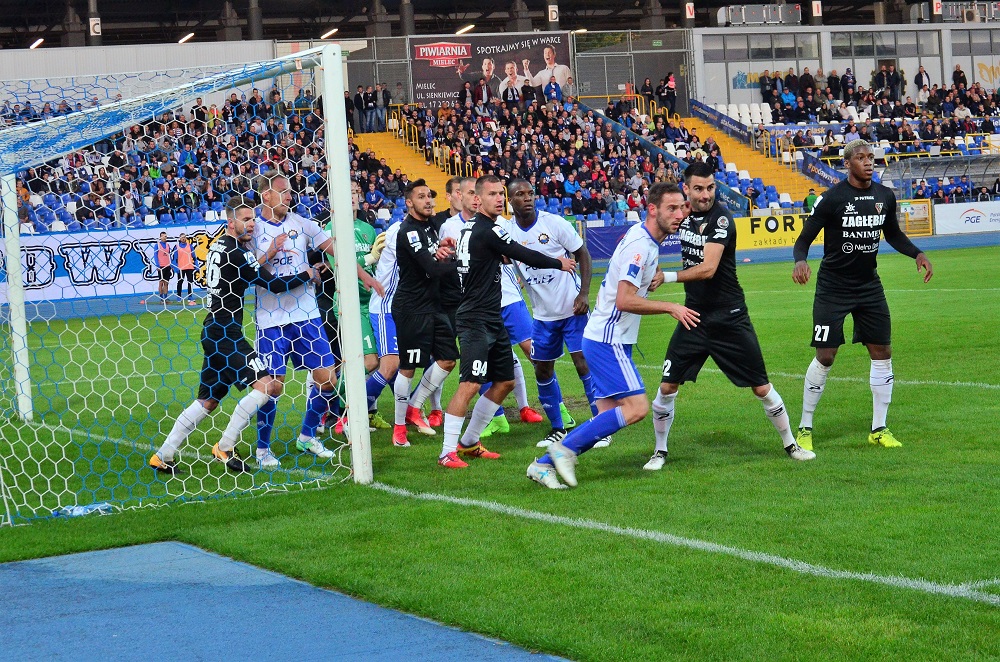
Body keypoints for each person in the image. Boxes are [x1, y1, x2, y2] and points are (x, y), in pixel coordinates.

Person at [644, 163, 815, 473]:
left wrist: (665, 277)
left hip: (729, 317)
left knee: (761, 387)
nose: (706, 194)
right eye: (699, 188)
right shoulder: (681, 216)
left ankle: (791, 444)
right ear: (687, 189)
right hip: (693, 318)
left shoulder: (721, 219)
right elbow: (653, 230)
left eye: (710, 187)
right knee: (667, 386)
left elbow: (708, 269)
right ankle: (659, 451)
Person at [527, 183, 699, 489]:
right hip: (609, 339)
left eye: (682, 207)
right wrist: (671, 306)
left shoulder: (644, 240)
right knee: (637, 408)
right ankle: (562, 449)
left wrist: (654, 277)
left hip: (604, 336)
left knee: (604, 420)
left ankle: (542, 465)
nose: (679, 214)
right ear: (652, 209)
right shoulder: (641, 246)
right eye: (671, 208)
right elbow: (624, 300)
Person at [149, 196, 316, 475]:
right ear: (231, 222)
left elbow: (244, 274)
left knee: (208, 400)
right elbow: (273, 284)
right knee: (268, 386)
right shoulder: (239, 252)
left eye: (253, 218)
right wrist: (307, 274)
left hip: (213, 329)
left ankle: (163, 455)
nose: (251, 224)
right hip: (226, 332)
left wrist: (267, 254)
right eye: (246, 219)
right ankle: (225, 447)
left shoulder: (219, 247)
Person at [792, 139, 933, 450]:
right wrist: (800, 260)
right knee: (826, 356)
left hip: (869, 286)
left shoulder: (884, 196)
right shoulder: (831, 199)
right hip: (833, 287)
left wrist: (917, 254)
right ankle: (804, 427)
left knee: (882, 353)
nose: (869, 162)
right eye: (861, 157)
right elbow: (803, 239)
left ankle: (879, 428)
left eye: (871, 157)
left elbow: (893, 233)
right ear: (848, 164)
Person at [437, 175, 576, 469]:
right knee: (470, 384)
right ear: (478, 199)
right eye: (493, 194)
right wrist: (559, 262)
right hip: (475, 318)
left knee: (505, 381)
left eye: (501, 194)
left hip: (492, 316)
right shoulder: (488, 229)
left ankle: (469, 442)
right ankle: (446, 451)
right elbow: (520, 253)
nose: (499, 199)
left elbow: (487, 258)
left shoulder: (470, 229)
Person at [251, 172, 383, 467]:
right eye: (283, 191)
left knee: (327, 378)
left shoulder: (302, 223)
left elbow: (340, 252)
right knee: (273, 386)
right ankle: (262, 449)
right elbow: (247, 270)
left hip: (307, 316)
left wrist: (366, 279)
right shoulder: (254, 228)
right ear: (266, 196)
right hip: (270, 319)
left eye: (289, 191)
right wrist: (272, 251)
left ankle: (307, 435)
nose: (289, 196)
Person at [505, 179, 606, 449]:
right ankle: (558, 428)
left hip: (572, 309)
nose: (527, 198)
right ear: (510, 200)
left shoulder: (554, 223)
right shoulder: (507, 231)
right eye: (519, 194)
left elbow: (582, 253)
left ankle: (600, 426)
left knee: (583, 363)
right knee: (542, 368)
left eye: (530, 193)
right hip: (542, 315)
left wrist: (583, 293)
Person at [390, 179, 462, 448]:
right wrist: (458, 260)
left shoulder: (430, 227)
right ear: (409, 203)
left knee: (448, 359)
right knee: (408, 368)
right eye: (421, 197)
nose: (429, 201)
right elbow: (431, 268)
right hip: (411, 308)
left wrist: (443, 247)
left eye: (430, 196)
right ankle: (399, 429)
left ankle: (414, 407)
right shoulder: (408, 231)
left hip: (434, 306)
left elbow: (436, 256)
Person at [175, 233, 197, 304]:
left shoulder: (190, 246)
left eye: (184, 237)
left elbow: (194, 257)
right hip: (181, 267)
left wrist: (197, 266)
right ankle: (179, 296)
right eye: (182, 237)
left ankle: (190, 296)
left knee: (190, 282)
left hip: (189, 266)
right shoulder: (177, 247)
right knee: (180, 282)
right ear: (180, 239)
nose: (183, 238)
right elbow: (174, 258)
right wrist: (176, 267)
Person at [153, 231, 172, 302]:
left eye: (166, 236)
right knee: (161, 282)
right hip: (161, 266)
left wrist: (171, 264)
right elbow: (155, 256)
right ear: (160, 237)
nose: (165, 238)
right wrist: (157, 265)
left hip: (167, 266)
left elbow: (169, 255)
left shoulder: (168, 245)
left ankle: (166, 297)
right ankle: (161, 298)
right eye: (163, 236)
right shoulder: (157, 245)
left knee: (166, 282)